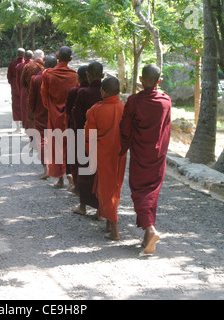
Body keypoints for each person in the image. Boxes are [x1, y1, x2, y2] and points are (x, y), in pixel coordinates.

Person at [119, 64, 171, 254]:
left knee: (140, 191)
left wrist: (122, 147)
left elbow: (125, 128)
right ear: (159, 81)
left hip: (140, 153)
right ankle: (147, 239)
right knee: (152, 193)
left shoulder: (133, 101)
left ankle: (150, 229)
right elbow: (166, 129)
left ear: (141, 80)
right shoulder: (166, 101)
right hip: (158, 156)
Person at [85, 76, 127, 241]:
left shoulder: (95, 110)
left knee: (106, 188)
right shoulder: (125, 108)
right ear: (118, 91)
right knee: (115, 186)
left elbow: (89, 136)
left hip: (103, 154)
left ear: (103, 91)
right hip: (120, 154)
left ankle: (115, 228)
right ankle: (109, 223)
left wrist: (91, 154)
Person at [41, 46, 79, 187]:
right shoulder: (75, 76)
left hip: (54, 116)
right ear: (70, 59)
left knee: (56, 146)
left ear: (57, 56)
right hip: (69, 117)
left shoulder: (48, 74)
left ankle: (60, 179)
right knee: (70, 146)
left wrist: (51, 108)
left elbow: (44, 95)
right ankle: (72, 179)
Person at [71, 61, 104, 216]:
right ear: (103, 76)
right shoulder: (107, 92)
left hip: (85, 136)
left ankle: (83, 206)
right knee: (100, 174)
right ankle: (100, 209)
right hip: (104, 139)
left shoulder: (83, 93)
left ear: (88, 76)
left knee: (85, 172)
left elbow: (76, 116)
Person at [28, 54, 58, 178]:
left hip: (41, 113)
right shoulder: (62, 77)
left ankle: (46, 168)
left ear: (44, 64)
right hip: (57, 113)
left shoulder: (36, 79)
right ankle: (57, 170)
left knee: (41, 140)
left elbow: (32, 99)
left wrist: (34, 112)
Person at [63, 65, 89, 193]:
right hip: (92, 133)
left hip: (75, 129)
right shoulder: (99, 92)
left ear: (78, 77)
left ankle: (77, 186)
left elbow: (67, 112)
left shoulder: (74, 91)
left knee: (75, 161)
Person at [21, 49, 45, 132]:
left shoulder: (28, 66)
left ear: (34, 57)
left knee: (31, 117)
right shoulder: (46, 66)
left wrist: (29, 89)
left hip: (30, 95)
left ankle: (33, 138)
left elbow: (22, 82)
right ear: (43, 58)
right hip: (44, 98)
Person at [7, 48, 25, 132]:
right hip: (25, 87)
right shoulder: (27, 64)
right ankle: (26, 126)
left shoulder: (12, 64)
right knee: (25, 105)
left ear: (17, 54)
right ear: (24, 55)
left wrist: (13, 83)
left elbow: (9, 77)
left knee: (16, 106)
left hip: (15, 87)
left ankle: (18, 128)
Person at [16, 50, 33, 130]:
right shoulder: (35, 66)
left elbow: (18, 82)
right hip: (33, 89)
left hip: (23, 90)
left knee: (24, 108)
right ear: (32, 57)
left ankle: (25, 126)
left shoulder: (19, 66)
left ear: (25, 57)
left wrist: (19, 91)